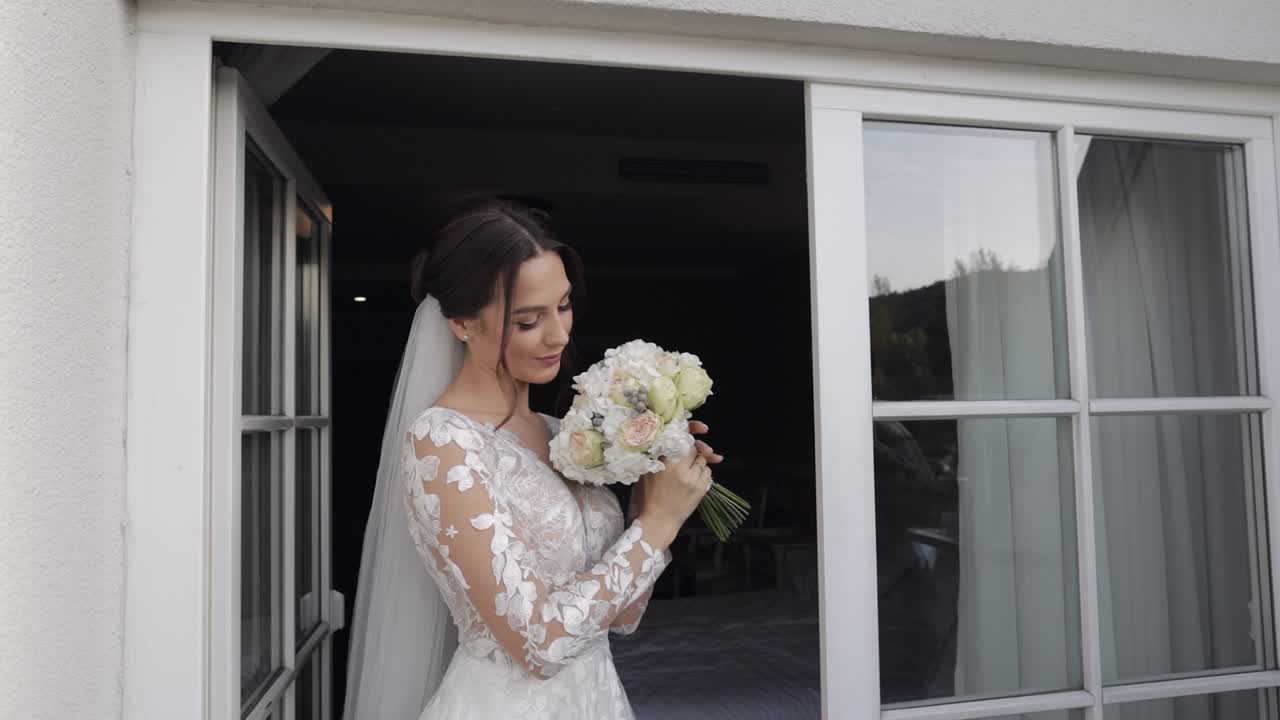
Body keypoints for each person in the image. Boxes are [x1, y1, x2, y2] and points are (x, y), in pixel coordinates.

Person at [343, 198, 721, 719]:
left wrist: (650, 489)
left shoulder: (559, 433)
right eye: (528, 321)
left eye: (563, 306)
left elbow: (623, 615)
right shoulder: (443, 444)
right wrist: (658, 525)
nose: (559, 335)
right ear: (461, 323)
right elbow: (540, 646)